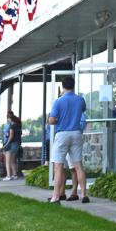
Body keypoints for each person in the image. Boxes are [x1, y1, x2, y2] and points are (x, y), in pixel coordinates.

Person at [48, 76, 88, 204]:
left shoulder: (58, 101)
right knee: (78, 166)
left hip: (63, 134)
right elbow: (81, 111)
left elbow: (52, 120)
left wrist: (58, 119)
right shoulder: (80, 100)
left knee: (58, 166)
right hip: (76, 133)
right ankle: (84, 194)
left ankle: (56, 196)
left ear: (63, 86)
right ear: (73, 85)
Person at [2, 111, 22, 180]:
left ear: (11, 119)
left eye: (9, 118)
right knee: (13, 161)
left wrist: (6, 144)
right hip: (16, 144)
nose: (8, 120)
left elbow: (11, 136)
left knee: (7, 161)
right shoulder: (18, 126)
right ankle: (14, 175)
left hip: (11, 144)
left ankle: (8, 176)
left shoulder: (12, 126)